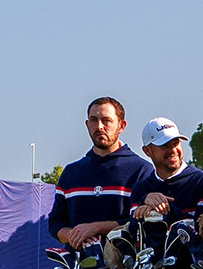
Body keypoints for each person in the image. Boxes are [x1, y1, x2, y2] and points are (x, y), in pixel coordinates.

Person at [49, 97, 161, 249]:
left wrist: (96, 228)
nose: (99, 126)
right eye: (93, 120)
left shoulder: (141, 170)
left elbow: (143, 220)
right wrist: (73, 235)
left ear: (121, 126)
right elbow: (55, 222)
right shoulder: (71, 173)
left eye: (106, 120)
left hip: (125, 261)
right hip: (79, 262)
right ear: (87, 124)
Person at [137, 117, 203, 223]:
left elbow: (202, 227)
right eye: (164, 146)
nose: (173, 150)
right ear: (147, 151)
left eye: (175, 144)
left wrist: (164, 211)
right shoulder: (140, 190)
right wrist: (144, 202)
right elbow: (135, 229)